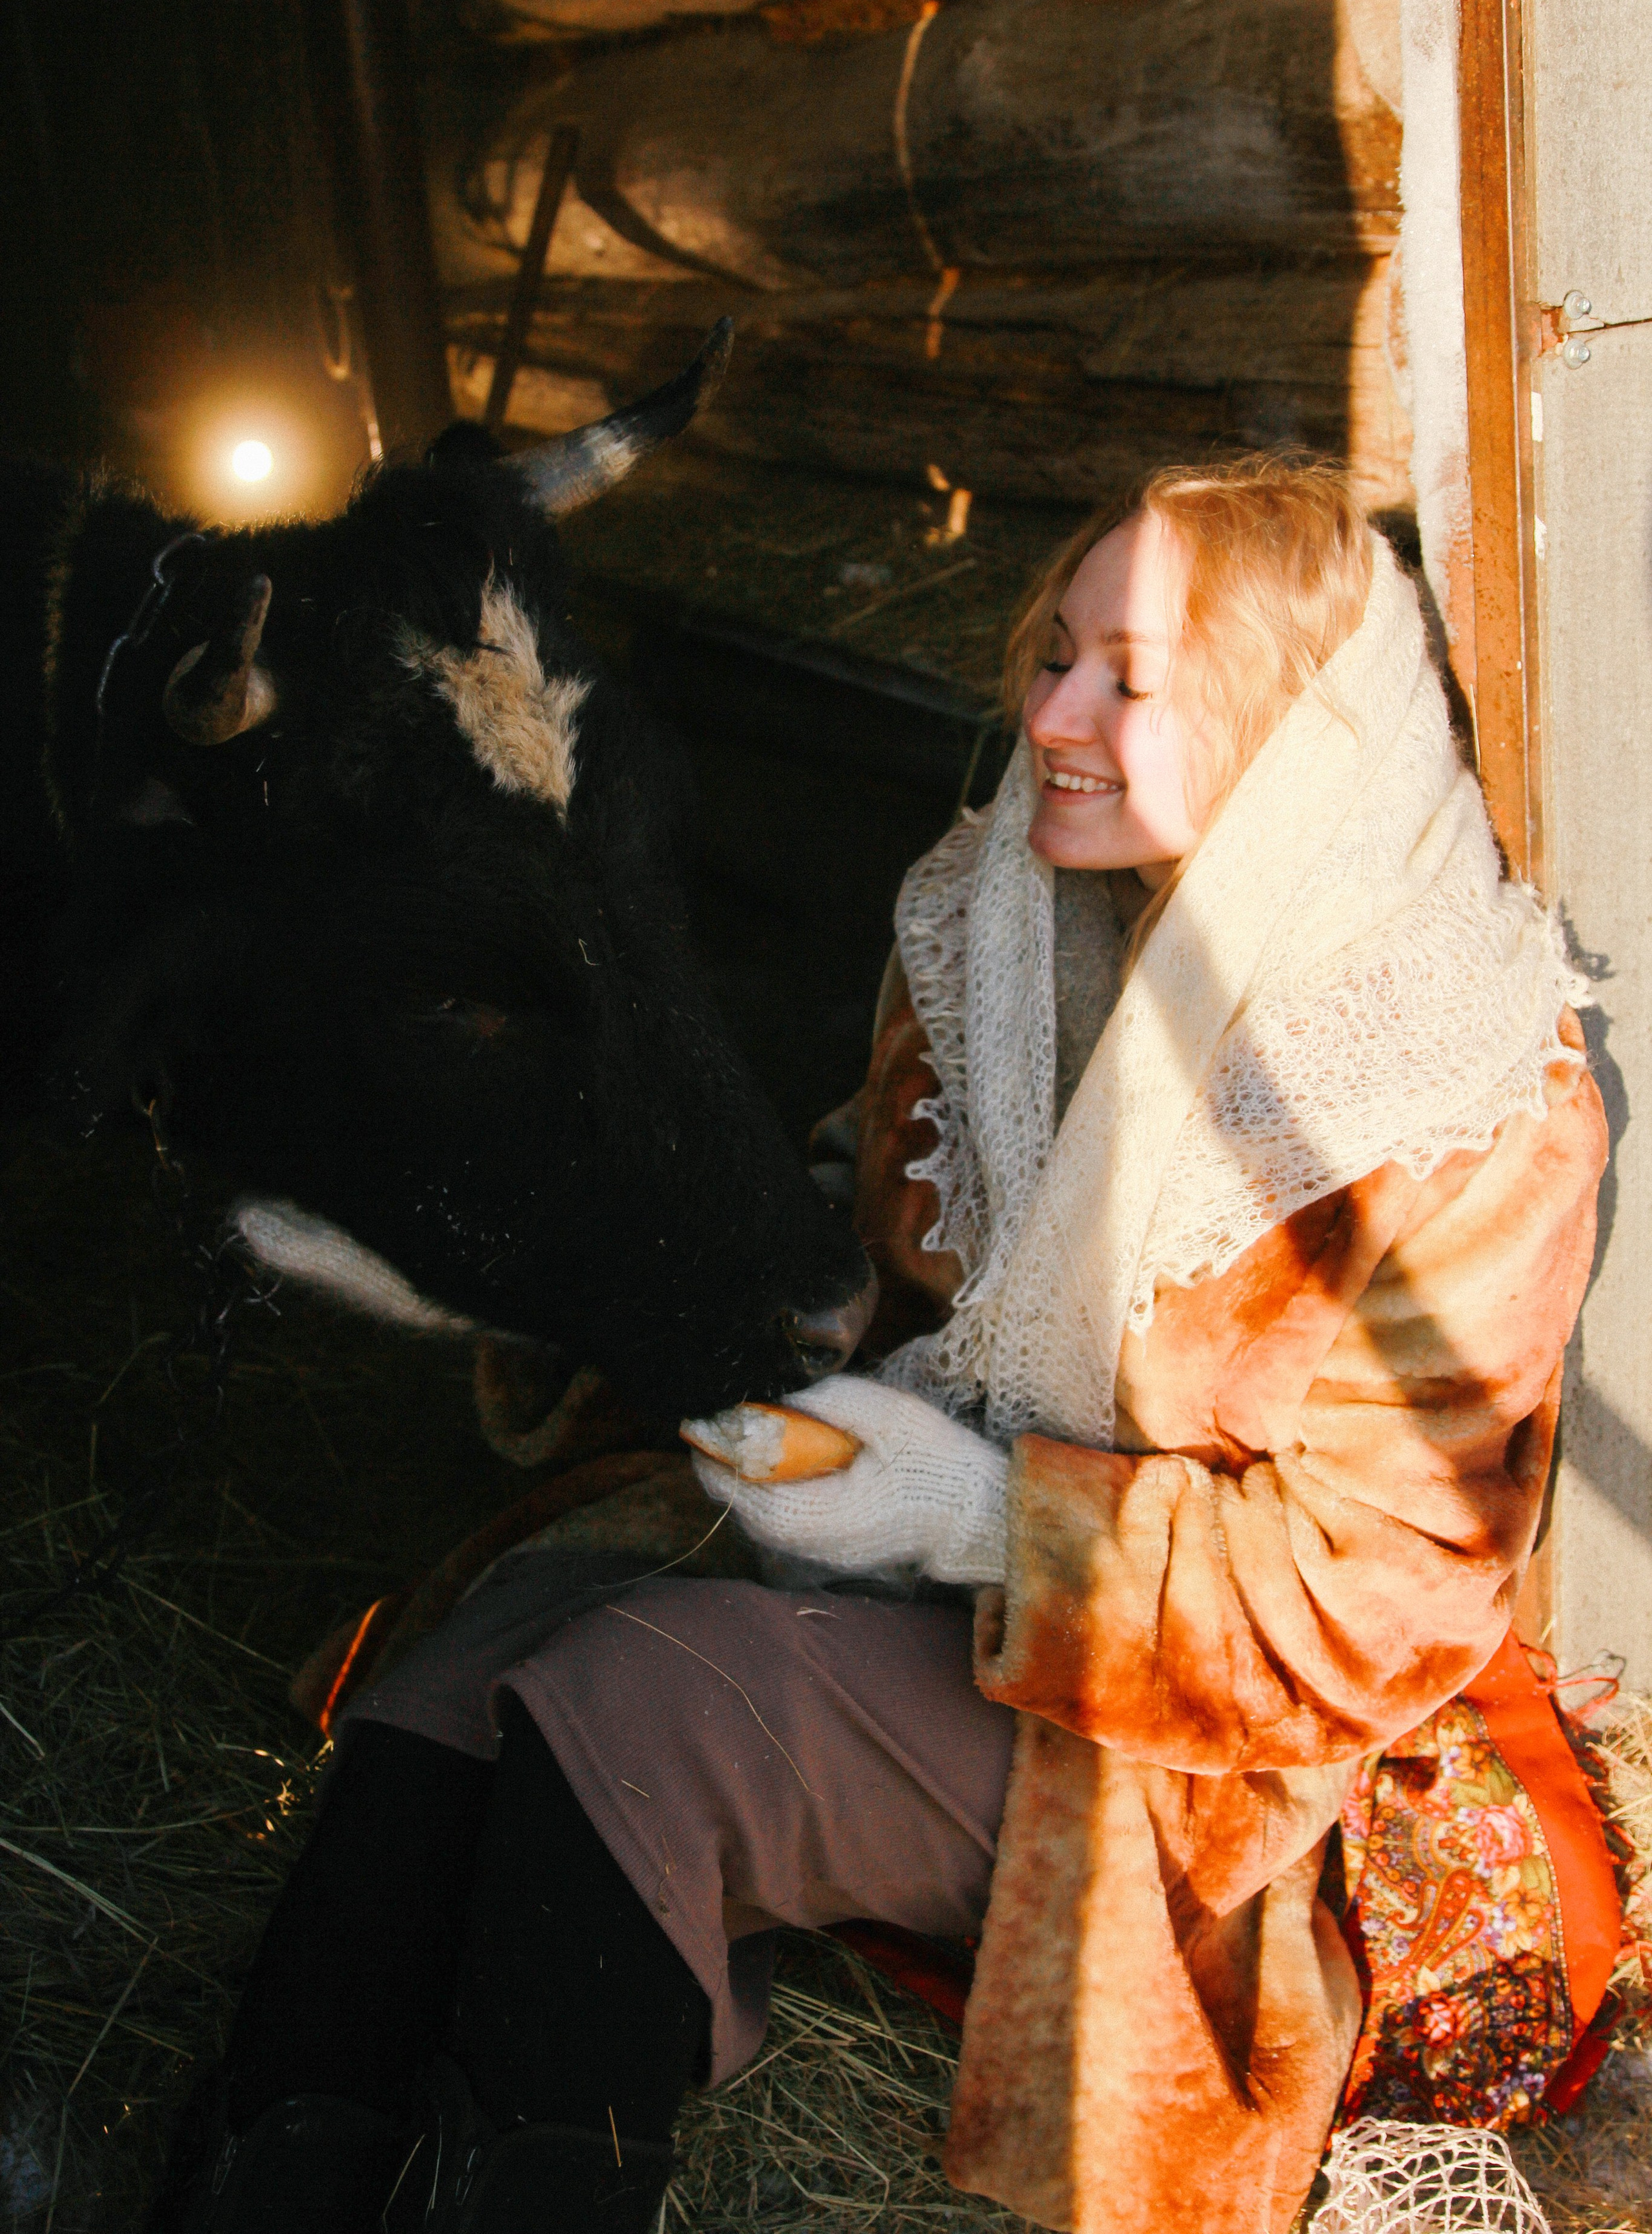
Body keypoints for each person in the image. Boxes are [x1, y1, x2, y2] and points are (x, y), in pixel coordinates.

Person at [150, 459, 1611, 2234]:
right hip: (903, 1579)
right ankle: (272, 2175)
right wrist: (699, 1301)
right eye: (1053, 654)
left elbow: (1379, 1605)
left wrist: (983, 1518)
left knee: (649, 1700)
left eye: (1132, 681)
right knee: (461, 1676)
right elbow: (864, 1208)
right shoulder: (999, 921)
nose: (1051, 716)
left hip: (1190, 1743)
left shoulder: (1455, 1101)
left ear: (1300, 732)